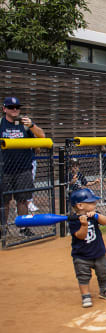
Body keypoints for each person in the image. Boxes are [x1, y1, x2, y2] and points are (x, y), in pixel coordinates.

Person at [0, 97, 46, 237]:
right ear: (4, 109)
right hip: (4, 169)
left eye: (17, 107)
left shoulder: (24, 123)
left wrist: (31, 125)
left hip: (23, 168)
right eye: (11, 107)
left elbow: (42, 136)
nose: (15, 110)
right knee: (4, 201)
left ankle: (23, 228)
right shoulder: (1, 123)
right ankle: (3, 229)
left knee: (22, 200)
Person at [68, 188, 106, 307]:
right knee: (83, 276)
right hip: (81, 255)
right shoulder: (73, 220)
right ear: (80, 205)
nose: (95, 204)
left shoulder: (95, 214)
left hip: (98, 252)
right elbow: (80, 236)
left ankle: (104, 290)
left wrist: (97, 216)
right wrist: (84, 225)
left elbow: (105, 222)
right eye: (91, 202)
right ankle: (85, 295)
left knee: (103, 272)